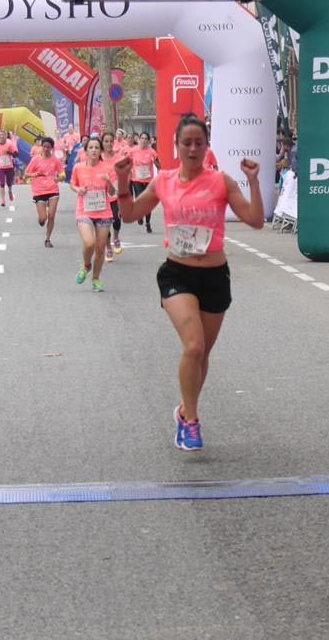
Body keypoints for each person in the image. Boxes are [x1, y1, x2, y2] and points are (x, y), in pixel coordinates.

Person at [113, 114, 265, 452]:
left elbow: (255, 220)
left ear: (207, 146)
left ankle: (184, 409)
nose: (193, 148)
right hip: (177, 272)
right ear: (176, 146)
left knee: (202, 354)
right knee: (193, 346)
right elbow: (130, 215)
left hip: (214, 275)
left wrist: (253, 181)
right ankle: (191, 422)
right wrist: (123, 182)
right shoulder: (164, 181)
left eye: (199, 142)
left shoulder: (221, 182)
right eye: (187, 142)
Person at [69, 137, 116, 292]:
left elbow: (112, 192)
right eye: (91, 147)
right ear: (86, 150)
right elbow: (72, 184)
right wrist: (78, 190)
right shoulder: (78, 168)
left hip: (103, 212)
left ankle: (95, 278)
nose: (94, 150)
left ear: (100, 151)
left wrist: (108, 182)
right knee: (89, 243)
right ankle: (86, 265)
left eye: (97, 147)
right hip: (84, 211)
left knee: (100, 248)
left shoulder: (108, 168)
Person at [24, 136, 65, 248]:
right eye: (44, 146)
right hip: (39, 191)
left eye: (48, 147)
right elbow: (26, 173)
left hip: (53, 190)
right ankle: (42, 220)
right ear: (41, 147)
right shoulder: (36, 159)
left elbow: (62, 174)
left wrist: (59, 178)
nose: (46, 149)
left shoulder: (55, 160)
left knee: (51, 215)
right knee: (43, 218)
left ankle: (47, 239)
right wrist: (34, 174)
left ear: (52, 148)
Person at [128, 132, 161, 233]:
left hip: (148, 180)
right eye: (142, 138)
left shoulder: (152, 151)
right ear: (138, 140)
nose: (144, 140)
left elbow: (159, 165)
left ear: (148, 140)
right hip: (136, 179)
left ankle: (148, 223)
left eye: (146, 138)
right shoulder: (133, 151)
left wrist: (155, 163)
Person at [100, 132, 123, 261]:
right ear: (102, 143)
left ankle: (116, 237)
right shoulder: (98, 158)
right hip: (101, 196)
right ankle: (108, 248)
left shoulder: (119, 157)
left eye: (110, 141)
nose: (108, 144)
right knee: (104, 224)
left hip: (116, 194)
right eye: (106, 141)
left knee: (116, 219)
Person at [0, 132, 18, 207]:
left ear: (5, 136)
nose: (1, 136)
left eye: (3, 135)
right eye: (0, 135)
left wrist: (9, 152)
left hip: (9, 166)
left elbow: (16, 154)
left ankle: (10, 191)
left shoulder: (10, 144)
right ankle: (3, 200)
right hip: (0, 167)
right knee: (2, 183)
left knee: (9, 182)